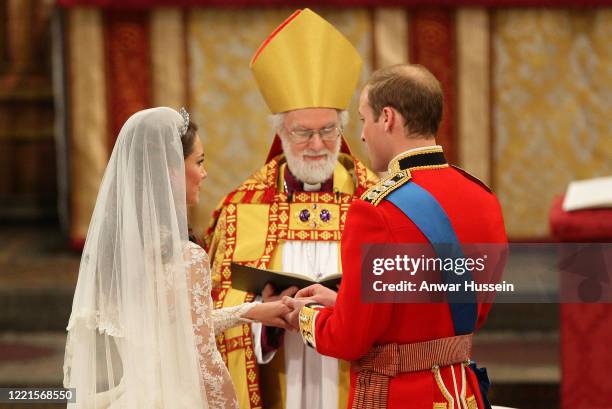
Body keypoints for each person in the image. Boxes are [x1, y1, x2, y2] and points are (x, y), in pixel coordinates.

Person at [284, 64, 508, 409]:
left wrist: (304, 315)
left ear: (387, 118)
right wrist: (342, 303)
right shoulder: (482, 196)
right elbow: (460, 309)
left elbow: (349, 340)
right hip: (462, 392)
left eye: (363, 120)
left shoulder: (376, 210)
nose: (360, 136)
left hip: (398, 396)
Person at [204, 8, 378, 409]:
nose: (317, 145)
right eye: (303, 132)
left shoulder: (377, 202)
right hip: (278, 371)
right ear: (281, 132)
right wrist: (267, 323)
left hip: (353, 372)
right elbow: (217, 313)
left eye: (328, 130)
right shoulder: (241, 208)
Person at [63, 107, 290, 408]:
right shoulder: (186, 256)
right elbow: (201, 354)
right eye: (199, 162)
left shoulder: (124, 251)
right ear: (172, 169)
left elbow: (174, 327)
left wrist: (248, 312)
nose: (205, 173)